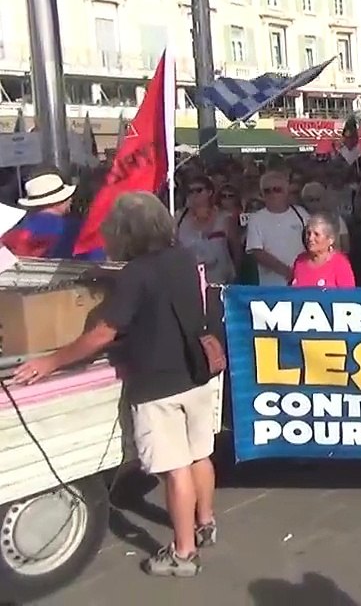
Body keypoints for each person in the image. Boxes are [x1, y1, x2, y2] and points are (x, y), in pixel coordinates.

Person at [11, 192, 219, 577]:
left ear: (123, 232)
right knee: (199, 456)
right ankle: (205, 524)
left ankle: (184, 554)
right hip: (196, 372)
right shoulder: (184, 257)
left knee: (174, 469)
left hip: (158, 384)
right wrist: (114, 277)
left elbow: (103, 333)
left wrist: (51, 360)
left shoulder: (137, 273)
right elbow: (156, 289)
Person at [1, 171, 101, 260]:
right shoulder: (82, 229)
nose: (70, 200)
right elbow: (99, 263)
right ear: (58, 201)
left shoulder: (14, 231)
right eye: (67, 197)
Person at [244, 171, 309, 286]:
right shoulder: (256, 219)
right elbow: (257, 252)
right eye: (267, 191)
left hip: (303, 281)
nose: (272, 194)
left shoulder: (301, 213)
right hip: (271, 285)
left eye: (277, 189)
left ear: (286, 191)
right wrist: (288, 272)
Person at [176, 175, 240, 284]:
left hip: (220, 280)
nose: (194, 195)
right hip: (188, 280)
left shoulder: (225, 217)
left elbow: (236, 249)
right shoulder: (178, 217)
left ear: (210, 192)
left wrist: (237, 274)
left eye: (199, 190)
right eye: (190, 191)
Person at [290, 213, 356, 288]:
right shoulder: (300, 260)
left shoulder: (340, 263)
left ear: (330, 240)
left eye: (316, 234)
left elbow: (348, 296)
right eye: (308, 233)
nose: (310, 238)